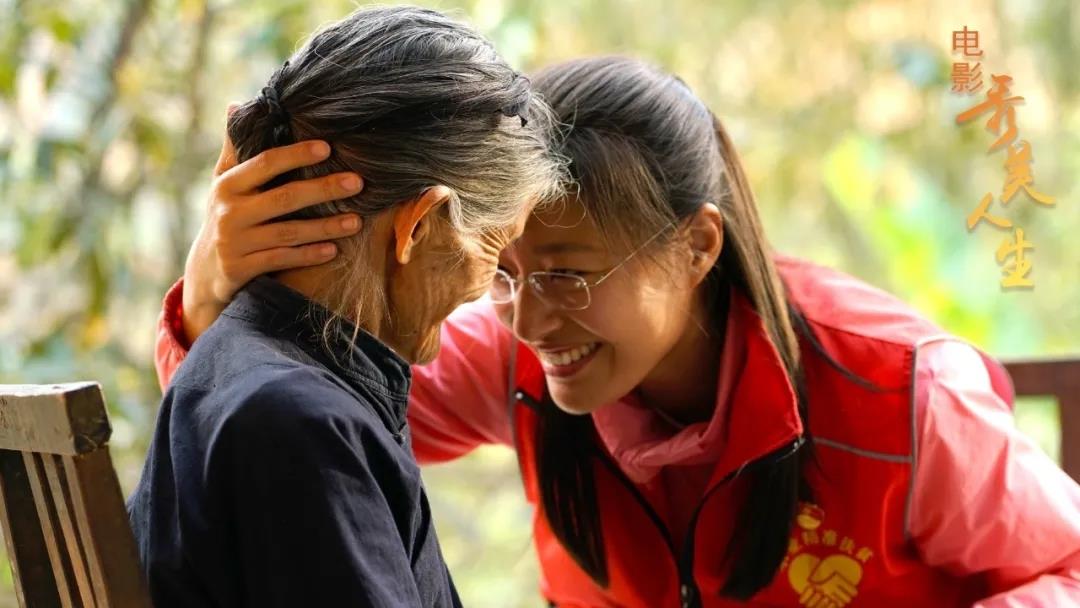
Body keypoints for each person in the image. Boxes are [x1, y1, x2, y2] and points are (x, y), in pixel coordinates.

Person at [153, 55, 1080, 607]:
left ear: (697, 246)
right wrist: (212, 284)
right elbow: (266, 429)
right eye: (505, 270)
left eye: (568, 272)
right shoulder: (515, 354)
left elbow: (1066, 569)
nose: (530, 317)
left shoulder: (901, 394)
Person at [125, 6, 564, 607]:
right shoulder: (299, 424)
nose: (487, 289)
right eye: (495, 245)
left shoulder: (249, 374)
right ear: (421, 225)